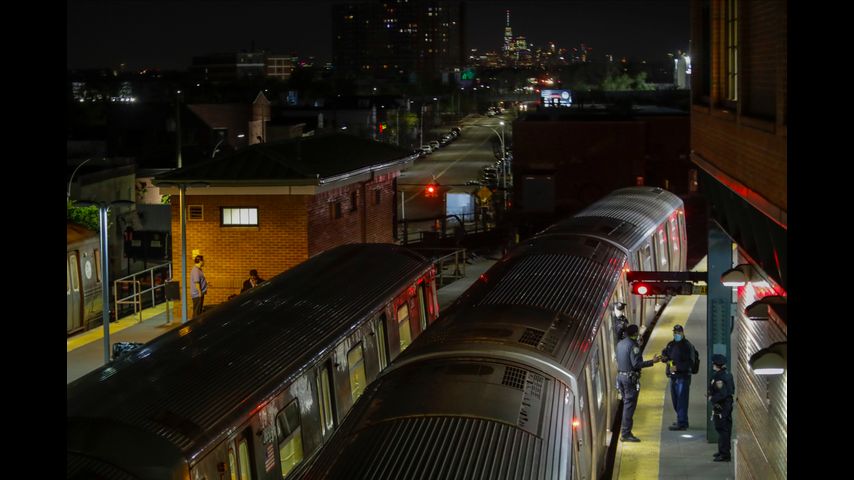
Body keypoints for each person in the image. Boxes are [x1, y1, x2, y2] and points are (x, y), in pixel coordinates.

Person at [616, 324, 662, 442]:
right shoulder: (633, 346)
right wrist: (653, 361)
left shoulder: (620, 344)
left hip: (621, 377)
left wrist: (639, 346)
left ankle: (625, 431)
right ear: (636, 334)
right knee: (629, 406)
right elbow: (636, 364)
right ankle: (626, 434)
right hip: (630, 380)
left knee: (627, 404)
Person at [660, 324, 698, 430]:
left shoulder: (687, 346)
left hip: (683, 377)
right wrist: (663, 357)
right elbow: (666, 355)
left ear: (682, 333)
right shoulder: (671, 345)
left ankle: (682, 423)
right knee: (675, 400)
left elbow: (690, 362)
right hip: (673, 377)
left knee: (682, 400)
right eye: (675, 332)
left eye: (678, 332)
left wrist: (677, 367)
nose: (676, 334)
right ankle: (680, 419)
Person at [708, 354, 735, 462]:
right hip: (725, 406)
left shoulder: (720, 377)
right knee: (723, 430)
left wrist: (712, 398)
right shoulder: (727, 374)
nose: (712, 365)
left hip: (722, 407)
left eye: (713, 363)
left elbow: (722, 393)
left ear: (716, 365)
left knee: (723, 430)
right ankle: (722, 451)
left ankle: (724, 454)